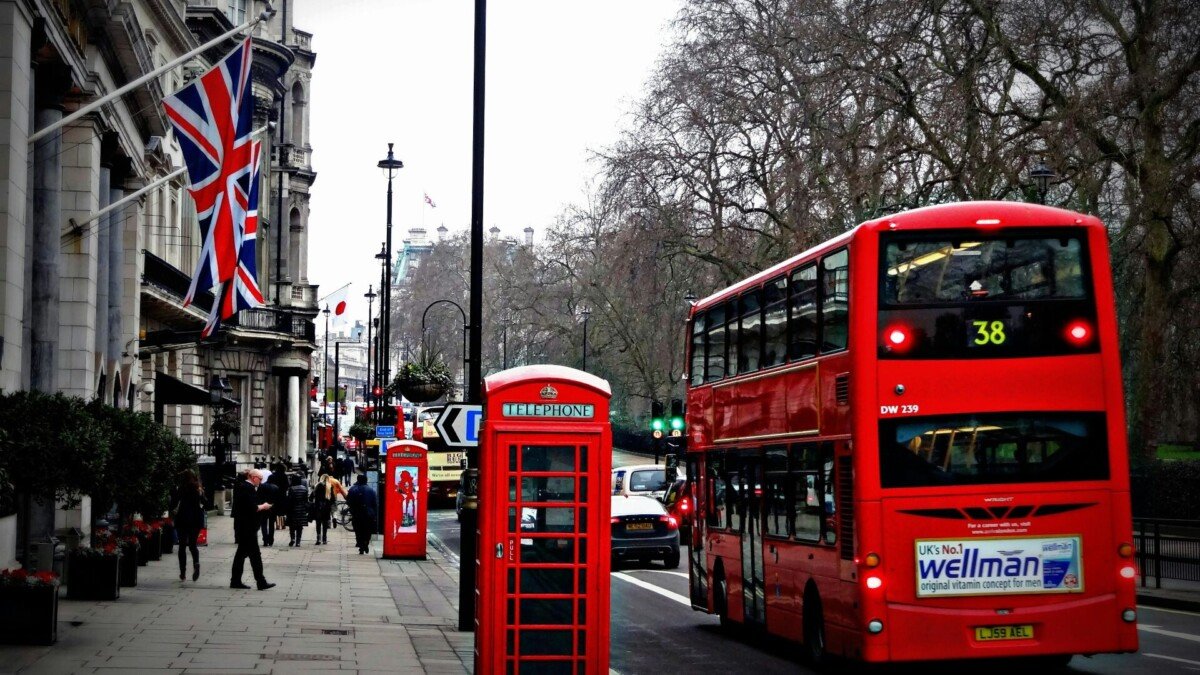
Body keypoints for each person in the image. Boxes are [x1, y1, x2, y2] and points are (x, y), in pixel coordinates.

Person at [230, 469, 276, 590]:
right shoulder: (247, 488)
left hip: (245, 527)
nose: (261, 482)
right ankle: (260, 582)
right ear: (253, 477)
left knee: (242, 554)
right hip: (248, 527)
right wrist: (264, 506)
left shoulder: (244, 487)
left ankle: (236, 580)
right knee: (254, 555)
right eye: (260, 479)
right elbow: (251, 507)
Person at [173, 469, 206, 581]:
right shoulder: (198, 488)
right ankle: (196, 563)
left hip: (183, 518)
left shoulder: (182, 488)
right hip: (196, 519)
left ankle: (183, 573)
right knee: (193, 545)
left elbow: (174, 501)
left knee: (182, 546)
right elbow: (205, 502)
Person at [311, 471, 347, 545]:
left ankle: (318, 539)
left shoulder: (317, 486)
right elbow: (333, 499)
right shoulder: (330, 486)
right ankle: (324, 539)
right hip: (326, 508)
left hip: (318, 507)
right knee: (325, 524)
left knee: (318, 524)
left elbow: (311, 497)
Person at [345, 474, 377, 554]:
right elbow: (375, 503)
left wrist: (352, 509)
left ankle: (361, 545)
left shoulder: (353, 489)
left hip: (357, 513)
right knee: (367, 530)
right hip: (368, 513)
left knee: (358, 529)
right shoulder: (371, 490)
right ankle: (366, 542)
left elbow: (349, 501)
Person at [258, 470, 281, 547]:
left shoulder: (262, 486)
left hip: (263, 507)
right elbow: (278, 499)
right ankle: (271, 540)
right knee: (271, 524)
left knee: (263, 524)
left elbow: (258, 497)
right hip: (272, 508)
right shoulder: (276, 487)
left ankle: (265, 540)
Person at [286, 472, 310, 547]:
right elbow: (306, 500)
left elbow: (289, 500)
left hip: (293, 509)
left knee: (292, 525)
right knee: (300, 526)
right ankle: (298, 541)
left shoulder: (291, 489)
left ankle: (292, 538)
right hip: (301, 509)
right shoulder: (304, 489)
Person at [267, 463, 290, 538]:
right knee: (281, 511)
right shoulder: (284, 476)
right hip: (282, 495)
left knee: (274, 510)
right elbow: (287, 486)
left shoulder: (272, 476)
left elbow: (268, 484)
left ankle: (276, 524)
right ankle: (281, 525)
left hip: (272, 495)